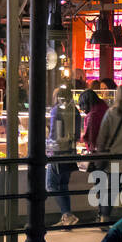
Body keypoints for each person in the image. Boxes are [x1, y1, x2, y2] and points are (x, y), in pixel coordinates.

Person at [94, 84, 122, 223]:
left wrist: (100, 152)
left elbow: (102, 136)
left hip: (115, 158)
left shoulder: (111, 113)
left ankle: (104, 217)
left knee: (112, 189)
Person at [46, 86, 79, 228]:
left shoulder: (56, 110)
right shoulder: (75, 110)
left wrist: (47, 148)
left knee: (51, 185)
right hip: (71, 152)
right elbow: (77, 134)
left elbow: (54, 135)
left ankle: (67, 214)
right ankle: (66, 217)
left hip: (58, 153)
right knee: (63, 185)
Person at [80, 85, 108, 153]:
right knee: (115, 163)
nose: (83, 109)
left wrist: (81, 138)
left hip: (99, 153)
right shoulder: (105, 108)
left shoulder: (92, 115)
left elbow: (91, 139)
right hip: (114, 153)